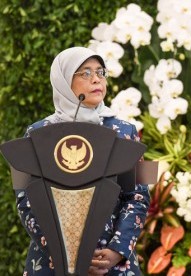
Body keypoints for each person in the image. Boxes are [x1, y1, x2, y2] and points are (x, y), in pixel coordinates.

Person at [15, 47, 150, 275]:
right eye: (85, 73)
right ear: (64, 81)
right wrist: (68, 256)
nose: (96, 79)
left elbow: (139, 196)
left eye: (100, 72)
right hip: (52, 262)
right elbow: (25, 199)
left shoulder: (128, 132)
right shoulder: (35, 134)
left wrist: (117, 250)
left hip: (111, 262)